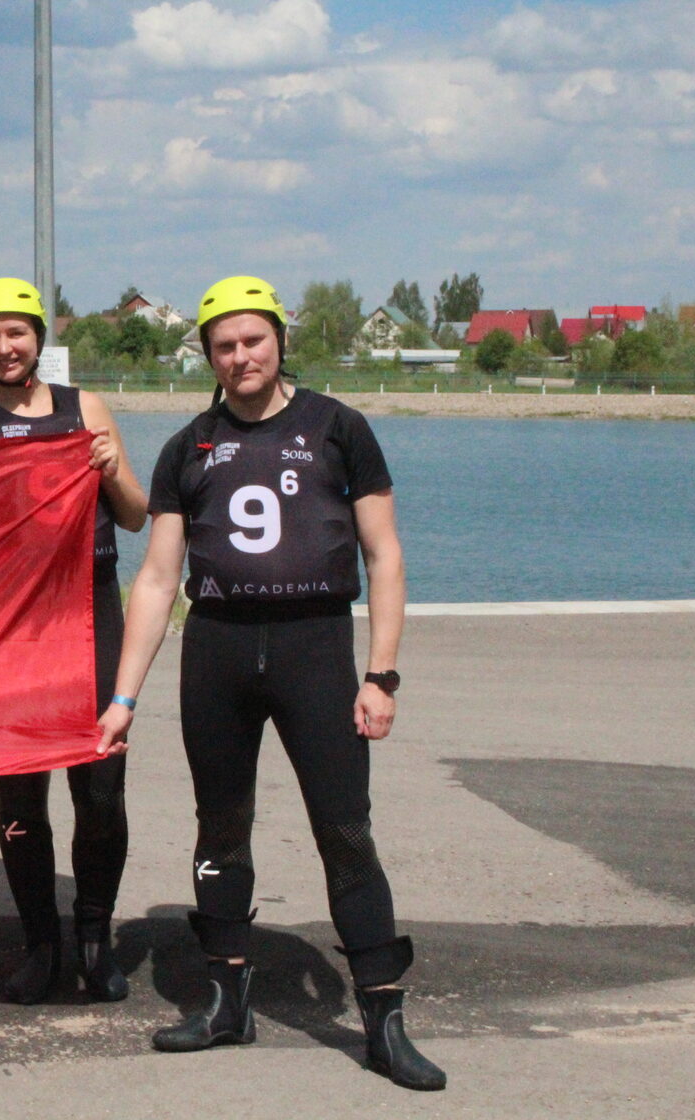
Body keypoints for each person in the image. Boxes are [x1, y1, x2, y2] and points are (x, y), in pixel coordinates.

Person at [95, 277, 446, 1091]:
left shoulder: (338, 428)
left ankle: (382, 1016)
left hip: (314, 648)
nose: (240, 356)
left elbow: (384, 554)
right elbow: (157, 579)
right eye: (224, 345)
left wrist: (381, 674)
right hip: (217, 649)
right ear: (208, 355)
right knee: (220, 828)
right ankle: (226, 1000)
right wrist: (124, 698)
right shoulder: (189, 445)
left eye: (253, 340)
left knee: (345, 830)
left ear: (280, 341)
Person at [0, 277, 148, 1003]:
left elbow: (135, 515)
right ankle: (41, 944)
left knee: (100, 787)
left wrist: (109, 473)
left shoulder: (85, 408)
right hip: (14, 621)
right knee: (21, 792)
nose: (5, 346)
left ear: (39, 339)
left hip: (89, 609)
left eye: (17, 332)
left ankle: (94, 937)